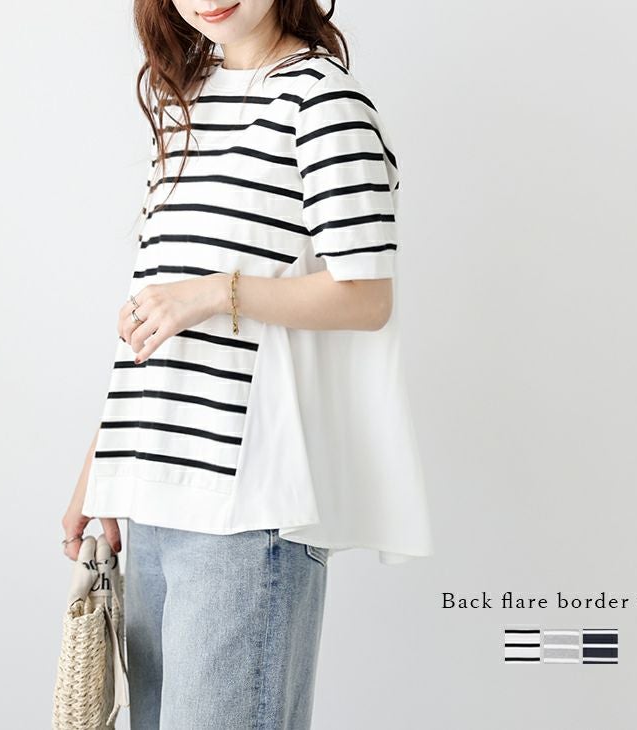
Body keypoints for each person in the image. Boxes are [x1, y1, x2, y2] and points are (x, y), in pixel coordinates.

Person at [61, 0, 434, 727]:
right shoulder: (186, 101)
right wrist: (100, 470)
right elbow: (151, 316)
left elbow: (366, 296)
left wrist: (215, 293)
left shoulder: (322, 101)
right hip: (155, 496)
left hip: (248, 504)